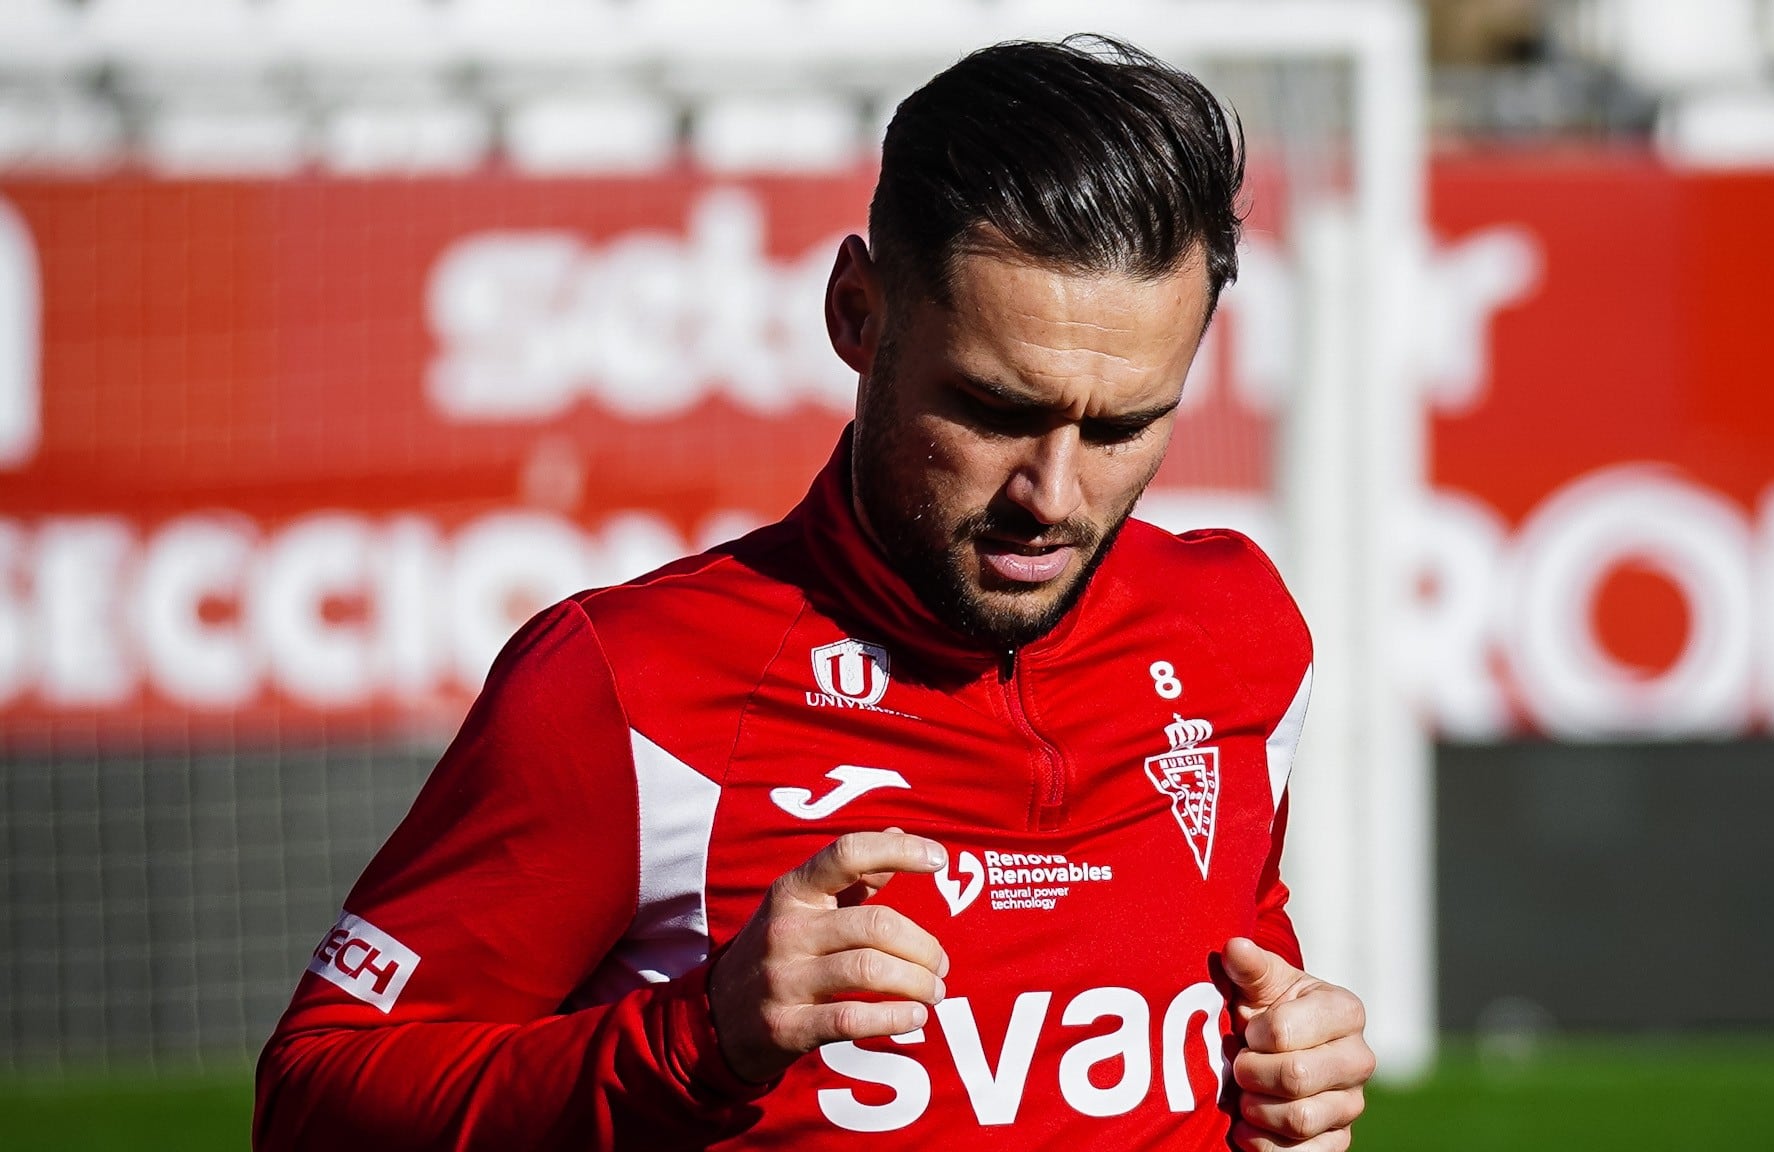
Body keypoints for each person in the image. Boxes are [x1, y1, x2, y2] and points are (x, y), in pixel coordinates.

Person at [256, 36, 1374, 1151]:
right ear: (856, 314)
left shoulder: (1234, 634)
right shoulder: (629, 689)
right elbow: (311, 1103)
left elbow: (1243, 986)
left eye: (1124, 426)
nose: (1052, 495)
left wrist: (1290, 1086)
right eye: (994, 409)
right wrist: (699, 1037)